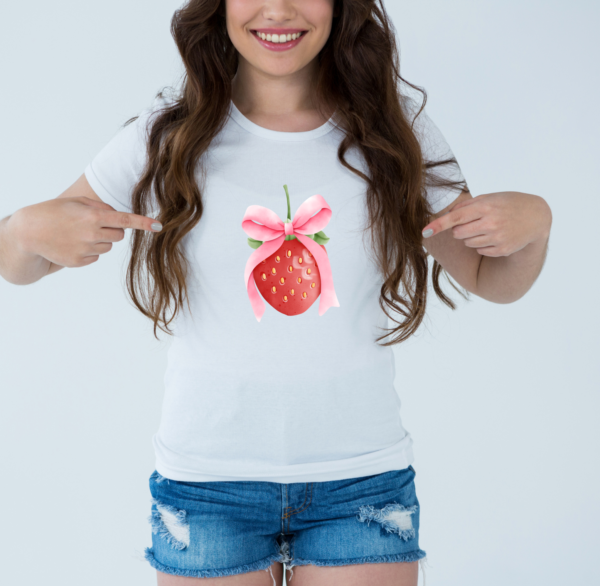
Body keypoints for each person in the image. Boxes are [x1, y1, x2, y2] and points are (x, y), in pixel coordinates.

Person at [0, 1, 553, 585]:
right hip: (207, 487)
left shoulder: (395, 129)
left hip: (361, 483)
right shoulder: (166, 133)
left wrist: (536, 224)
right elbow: (19, 263)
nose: (279, 9)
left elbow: (494, 280)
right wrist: (21, 229)